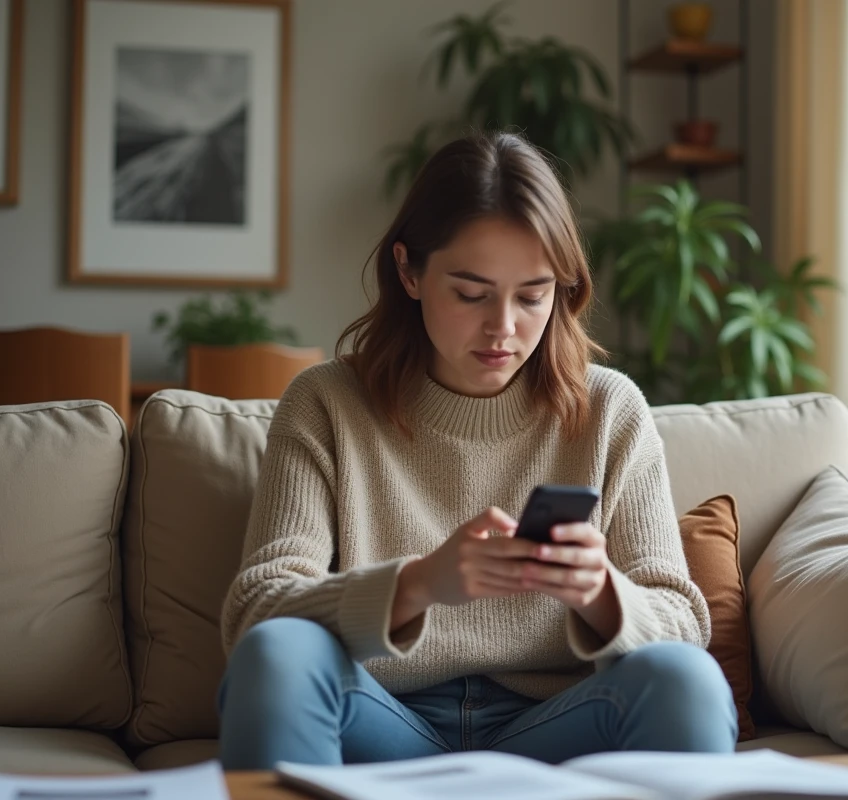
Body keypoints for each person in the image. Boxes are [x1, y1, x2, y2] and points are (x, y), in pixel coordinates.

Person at [217, 131, 737, 769]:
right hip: (383, 721)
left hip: (557, 726)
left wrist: (598, 591)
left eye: (533, 295)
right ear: (409, 271)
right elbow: (255, 614)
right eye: (470, 293)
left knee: (687, 682)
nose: (504, 327)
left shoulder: (609, 411)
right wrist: (418, 584)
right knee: (278, 658)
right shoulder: (326, 403)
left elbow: (686, 623)